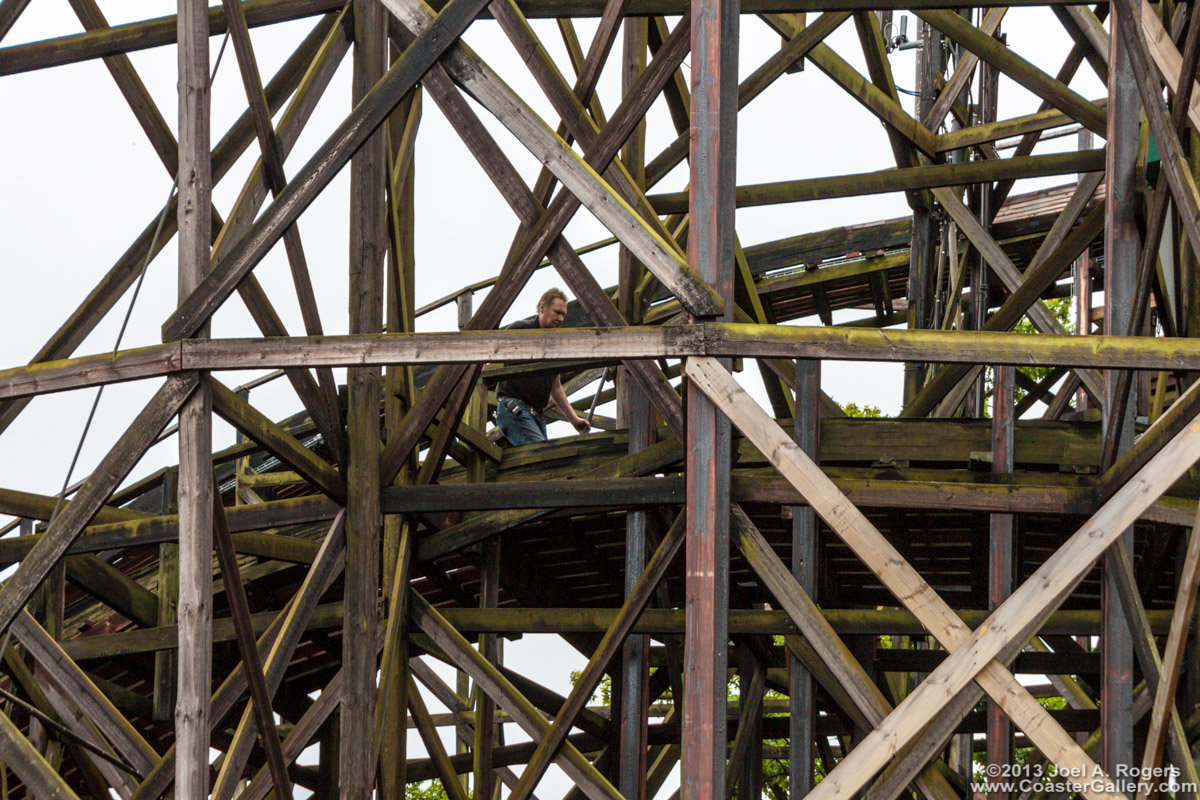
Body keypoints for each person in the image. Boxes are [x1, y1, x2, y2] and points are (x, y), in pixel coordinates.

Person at [495, 288, 591, 445]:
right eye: (557, 312)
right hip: (514, 408)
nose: (561, 318)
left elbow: (556, 387)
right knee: (541, 455)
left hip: (536, 416)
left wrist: (574, 420)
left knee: (541, 458)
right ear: (542, 308)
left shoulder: (555, 345)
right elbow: (488, 350)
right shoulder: (520, 331)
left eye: (563, 315)